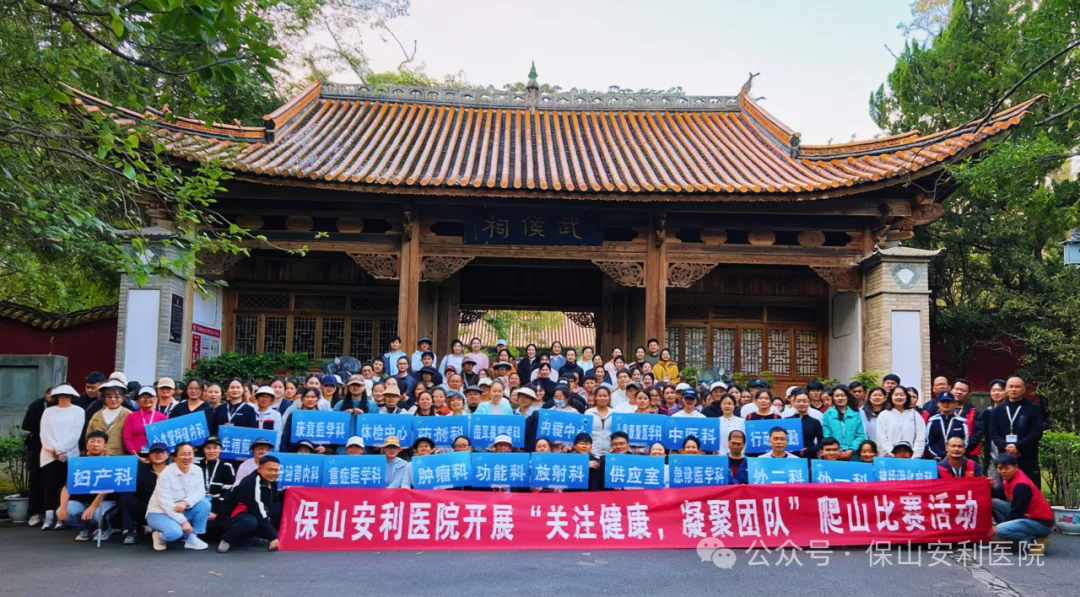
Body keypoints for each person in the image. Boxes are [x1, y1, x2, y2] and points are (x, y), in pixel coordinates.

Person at [146, 442, 210, 551]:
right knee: (175, 533)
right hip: (160, 512)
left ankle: (191, 537)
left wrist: (186, 502)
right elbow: (165, 503)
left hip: (181, 508)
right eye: (183, 454)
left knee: (205, 504)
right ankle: (160, 536)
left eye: (189, 454)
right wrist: (183, 522)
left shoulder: (197, 470)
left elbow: (200, 492)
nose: (187, 457)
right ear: (174, 457)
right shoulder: (166, 474)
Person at [39, 383, 84, 531]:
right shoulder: (48, 412)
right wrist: (52, 449)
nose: (63, 398)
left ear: (72, 396)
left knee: (67, 486)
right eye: (61, 395)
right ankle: (48, 517)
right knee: (49, 486)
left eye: (67, 395)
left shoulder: (78, 411)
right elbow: (44, 433)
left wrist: (61, 449)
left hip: (70, 453)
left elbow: (75, 434)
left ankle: (62, 517)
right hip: (49, 453)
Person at [56, 430, 116, 541]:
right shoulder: (78, 462)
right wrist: (62, 507)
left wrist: (92, 507)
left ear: (105, 446)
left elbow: (106, 489)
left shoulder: (110, 462)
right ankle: (85, 527)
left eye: (99, 442)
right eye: (92, 441)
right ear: (87, 445)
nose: (95, 444)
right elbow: (67, 486)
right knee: (66, 510)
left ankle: (105, 528)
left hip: (104, 502)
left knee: (96, 514)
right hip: (82, 502)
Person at [218, 454, 282, 553]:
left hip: (250, 510)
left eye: (276, 470)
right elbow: (258, 510)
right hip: (231, 515)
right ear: (259, 469)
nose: (273, 473)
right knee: (250, 522)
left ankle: (249, 537)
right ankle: (226, 539)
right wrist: (273, 537)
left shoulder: (272, 483)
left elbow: (268, 503)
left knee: (278, 509)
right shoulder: (250, 483)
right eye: (270, 470)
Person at [991, 453, 1053, 553]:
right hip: (1025, 516)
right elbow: (998, 494)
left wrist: (1002, 528)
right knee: (992, 502)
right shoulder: (1010, 478)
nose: (1003, 471)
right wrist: (990, 487)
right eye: (1000, 468)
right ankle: (1011, 535)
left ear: (1016, 467)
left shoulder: (1021, 486)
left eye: (1007, 468)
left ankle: (1034, 540)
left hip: (1040, 523)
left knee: (998, 531)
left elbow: (1017, 512)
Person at [990, 376, 1044, 487]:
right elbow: (993, 432)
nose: (1014, 389)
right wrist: (1006, 446)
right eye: (1011, 386)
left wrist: (1018, 446)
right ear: (1006, 388)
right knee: (1005, 489)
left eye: (1017, 387)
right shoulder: (999, 409)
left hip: (1027, 456)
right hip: (1005, 457)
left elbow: (1036, 432)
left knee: (1029, 488)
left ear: (1024, 389)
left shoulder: (1033, 408)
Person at [118, 442, 170, 544]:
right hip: (145, 505)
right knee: (126, 496)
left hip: (166, 506)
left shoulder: (172, 470)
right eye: (154, 453)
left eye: (161, 453)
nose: (158, 455)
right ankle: (130, 530)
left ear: (167, 455)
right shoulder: (141, 469)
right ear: (149, 455)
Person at [21, 386, 55, 527]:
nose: (53, 399)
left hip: (56, 448)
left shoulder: (62, 407)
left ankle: (52, 513)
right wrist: (44, 430)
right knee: (36, 480)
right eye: (50, 396)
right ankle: (34, 513)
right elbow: (26, 425)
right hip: (38, 447)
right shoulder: (37, 405)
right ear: (46, 395)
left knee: (53, 482)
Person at [84, 380, 132, 455]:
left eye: (117, 397)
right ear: (104, 398)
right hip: (99, 457)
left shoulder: (129, 415)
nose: (113, 399)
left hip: (120, 457)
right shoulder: (97, 415)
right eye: (109, 396)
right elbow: (89, 435)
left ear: (123, 398)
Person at [821, 385, 866, 460]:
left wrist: (851, 450)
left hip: (853, 454)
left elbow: (860, 435)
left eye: (843, 395)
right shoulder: (828, 414)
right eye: (837, 396)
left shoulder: (855, 414)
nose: (840, 398)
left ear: (847, 397)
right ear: (833, 398)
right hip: (833, 454)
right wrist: (837, 450)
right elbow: (826, 435)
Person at [123, 387, 168, 457]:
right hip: (135, 455)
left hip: (157, 455)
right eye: (143, 397)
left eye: (150, 397)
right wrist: (135, 454)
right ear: (138, 401)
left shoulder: (163, 418)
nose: (146, 399)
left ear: (156, 399)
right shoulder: (131, 416)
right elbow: (127, 437)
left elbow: (166, 438)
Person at [926, 391, 969, 460]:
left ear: (954, 404)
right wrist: (941, 454)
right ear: (938, 404)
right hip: (936, 458)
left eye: (949, 402)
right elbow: (928, 442)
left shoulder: (962, 422)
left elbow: (965, 441)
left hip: (957, 458)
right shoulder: (932, 421)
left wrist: (953, 453)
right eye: (943, 402)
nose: (946, 404)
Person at [785, 389, 823, 459]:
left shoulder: (815, 422)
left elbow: (821, 441)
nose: (801, 404)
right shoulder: (787, 420)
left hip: (810, 456)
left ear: (809, 402)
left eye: (804, 401)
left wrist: (811, 450)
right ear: (794, 402)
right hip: (790, 457)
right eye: (798, 401)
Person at [984, 379, 1008, 481]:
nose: (996, 393)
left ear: (1006, 391)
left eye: (1000, 390)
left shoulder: (1009, 411)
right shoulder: (987, 412)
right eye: (993, 390)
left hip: (1008, 454)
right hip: (992, 456)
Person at [585, 387, 614, 457]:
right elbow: (585, 432)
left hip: (611, 452)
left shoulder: (614, 413)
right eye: (600, 396)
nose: (603, 398)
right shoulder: (589, 413)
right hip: (592, 452)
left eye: (605, 396)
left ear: (609, 397)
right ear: (595, 397)